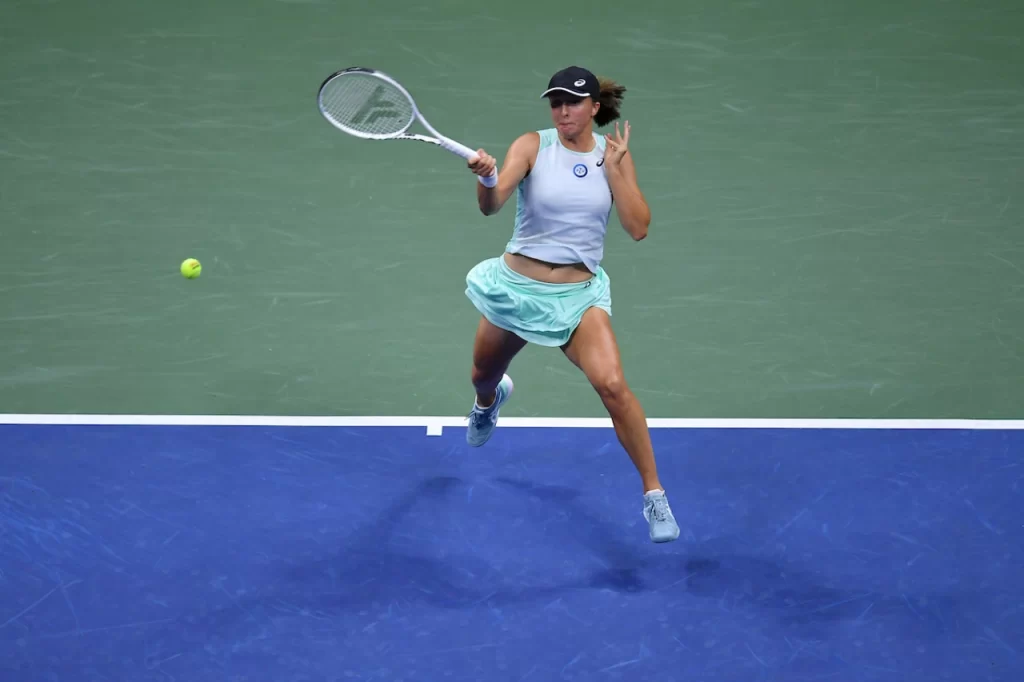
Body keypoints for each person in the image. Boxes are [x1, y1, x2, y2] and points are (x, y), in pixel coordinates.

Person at [459, 65, 680, 544]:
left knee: (613, 386)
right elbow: (490, 206)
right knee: (482, 376)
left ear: (594, 108)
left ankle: (654, 494)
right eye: (556, 103)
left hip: (579, 298)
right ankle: (488, 403)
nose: (562, 111)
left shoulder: (613, 155)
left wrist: (615, 171)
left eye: (573, 103)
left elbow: (638, 228)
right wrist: (487, 177)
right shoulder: (532, 146)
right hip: (517, 289)